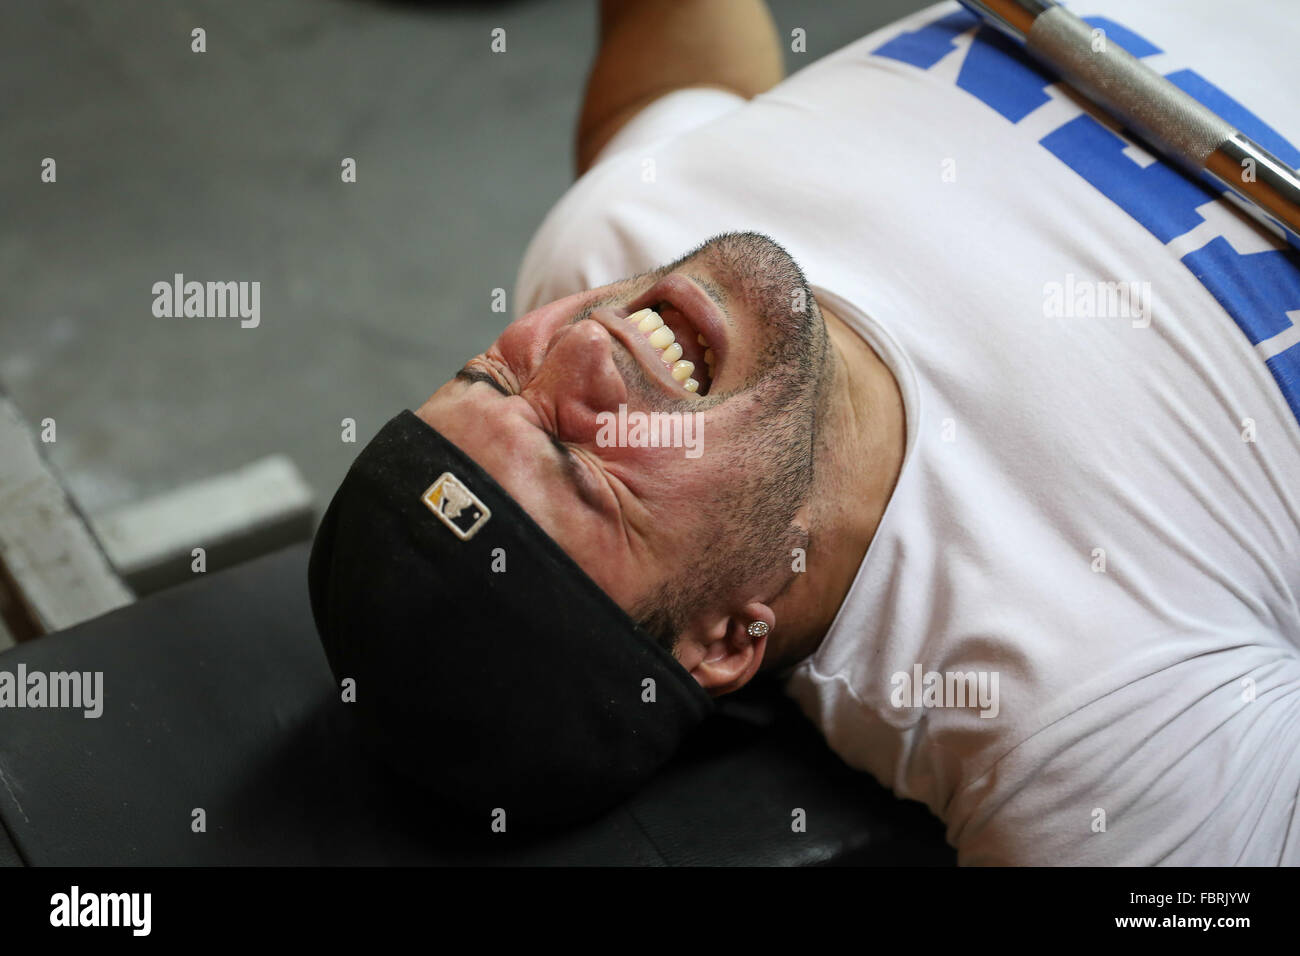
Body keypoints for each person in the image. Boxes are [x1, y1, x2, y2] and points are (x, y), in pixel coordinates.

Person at [310, 0, 1300, 863]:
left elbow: (682, 84)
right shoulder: (1083, 733)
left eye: (495, 370)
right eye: (584, 470)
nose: (579, 347)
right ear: (725, 639)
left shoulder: (608, 236)